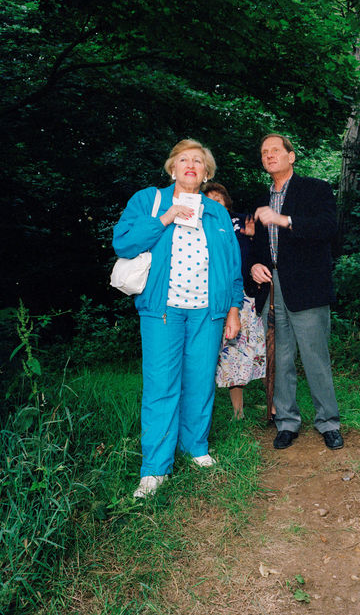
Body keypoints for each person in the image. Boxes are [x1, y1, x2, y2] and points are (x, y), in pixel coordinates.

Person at [113, 139, 243, 498]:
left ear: (206, 173)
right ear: (172, 168)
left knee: (200, 381)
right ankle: (155, 469)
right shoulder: (148, 201)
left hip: (208, 313)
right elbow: (123, 243)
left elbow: (232, 265)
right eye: (183, 160)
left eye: (198, 161)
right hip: (163, 311)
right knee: (161, 385)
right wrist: (164, 218)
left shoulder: (215, 213)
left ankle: (195, 447)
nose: (191, 165)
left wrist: (234, 308)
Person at [249, 133, 343, 450]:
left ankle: (328, 422)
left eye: (276, 150)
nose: (269, 155)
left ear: (291, 156)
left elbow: (328, 228)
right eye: (264, 152)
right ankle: (286, 422)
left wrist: (284, 219)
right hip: (271, 289)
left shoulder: (315, 189)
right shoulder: (258, 198)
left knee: (315, 358)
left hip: (307, 288)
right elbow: (252, 245)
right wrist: (253, 266)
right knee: (280, 359)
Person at [203, 182, 266, 421]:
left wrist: (252, 238)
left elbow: (267, 248)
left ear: (227, 203)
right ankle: (237, 412)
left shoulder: (243, 222)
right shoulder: (200, 227)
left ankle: (272, 402)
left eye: (218, 200)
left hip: (247, 296)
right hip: (214, 299)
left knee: (256, 350)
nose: (214, 205)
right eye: (209, 201)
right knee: (229, 355)